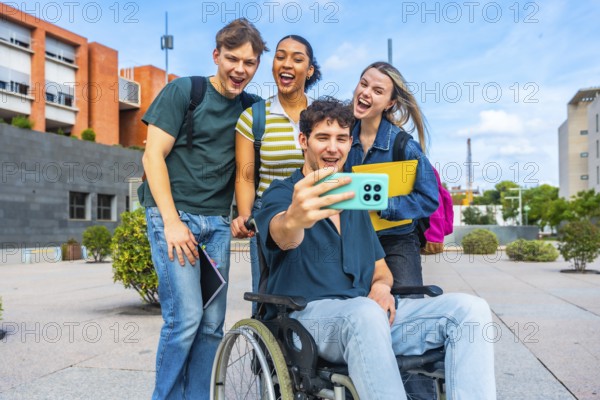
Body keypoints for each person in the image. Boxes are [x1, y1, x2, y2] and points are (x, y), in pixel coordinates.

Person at [254, 97, 496, 400]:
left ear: (349, 142)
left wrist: (382, 286)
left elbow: (380, 268)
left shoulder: (354, 200)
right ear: (303, 140)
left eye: (341, 138)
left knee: (470, 310)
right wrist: (295, 217)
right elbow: (283, 234)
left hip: (370, 315)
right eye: (323, 138)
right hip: (307, 319)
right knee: (365, 313)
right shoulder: (283, 192)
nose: (333, 148)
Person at [137, 18, 267, 400]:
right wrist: (173, 222)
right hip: (174, 218)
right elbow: (152, 156)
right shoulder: (185, 91)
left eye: (249, 62)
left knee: (212, 324)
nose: (240, 69)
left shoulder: (252, 108)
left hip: (216, 224)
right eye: (232, 59)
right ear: (216, 55)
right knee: (185, 319)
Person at [345, 61, 441, 398]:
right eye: (363, 83)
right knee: (360, 318)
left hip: (397, 241)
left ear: (390, 103)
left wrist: (387, 205)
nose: (365, 92)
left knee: (406, 320)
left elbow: (429, 198)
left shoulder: (403, 144)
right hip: (355, 240)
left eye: (377, 90)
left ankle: (419, 395)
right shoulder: (344, 136)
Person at [231, 34, 321, 299]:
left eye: (297, 58)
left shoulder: (322, 116)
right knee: (268, 296)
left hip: (315, 214)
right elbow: (245, 175)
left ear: (310, 70)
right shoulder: (254, 117)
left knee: (317, 294)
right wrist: (245, 216)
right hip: (268, 216)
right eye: (280, 56)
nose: (286, 64)